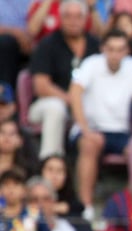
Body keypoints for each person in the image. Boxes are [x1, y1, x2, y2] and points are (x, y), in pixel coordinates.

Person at [69, 28, 132, 212]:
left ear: (127, 51)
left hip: (121, 132)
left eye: (120, 49)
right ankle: (86, 207)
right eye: (111, 49)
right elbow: (75, 94)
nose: (115, 54)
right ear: (103, 49)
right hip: (91, 129)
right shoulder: (91, 63)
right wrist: (85, 129)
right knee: (90, 144)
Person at [27, 0, 100, 159]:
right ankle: (51, 161)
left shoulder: (95, 45)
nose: (73, 21)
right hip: (47, 104)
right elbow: (41, 86)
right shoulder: (48, 44)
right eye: (68, 16)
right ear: (60, 18)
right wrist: (72, 101)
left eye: (78, 16)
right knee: (56, 108)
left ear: (86, 19)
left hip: (87, 107)